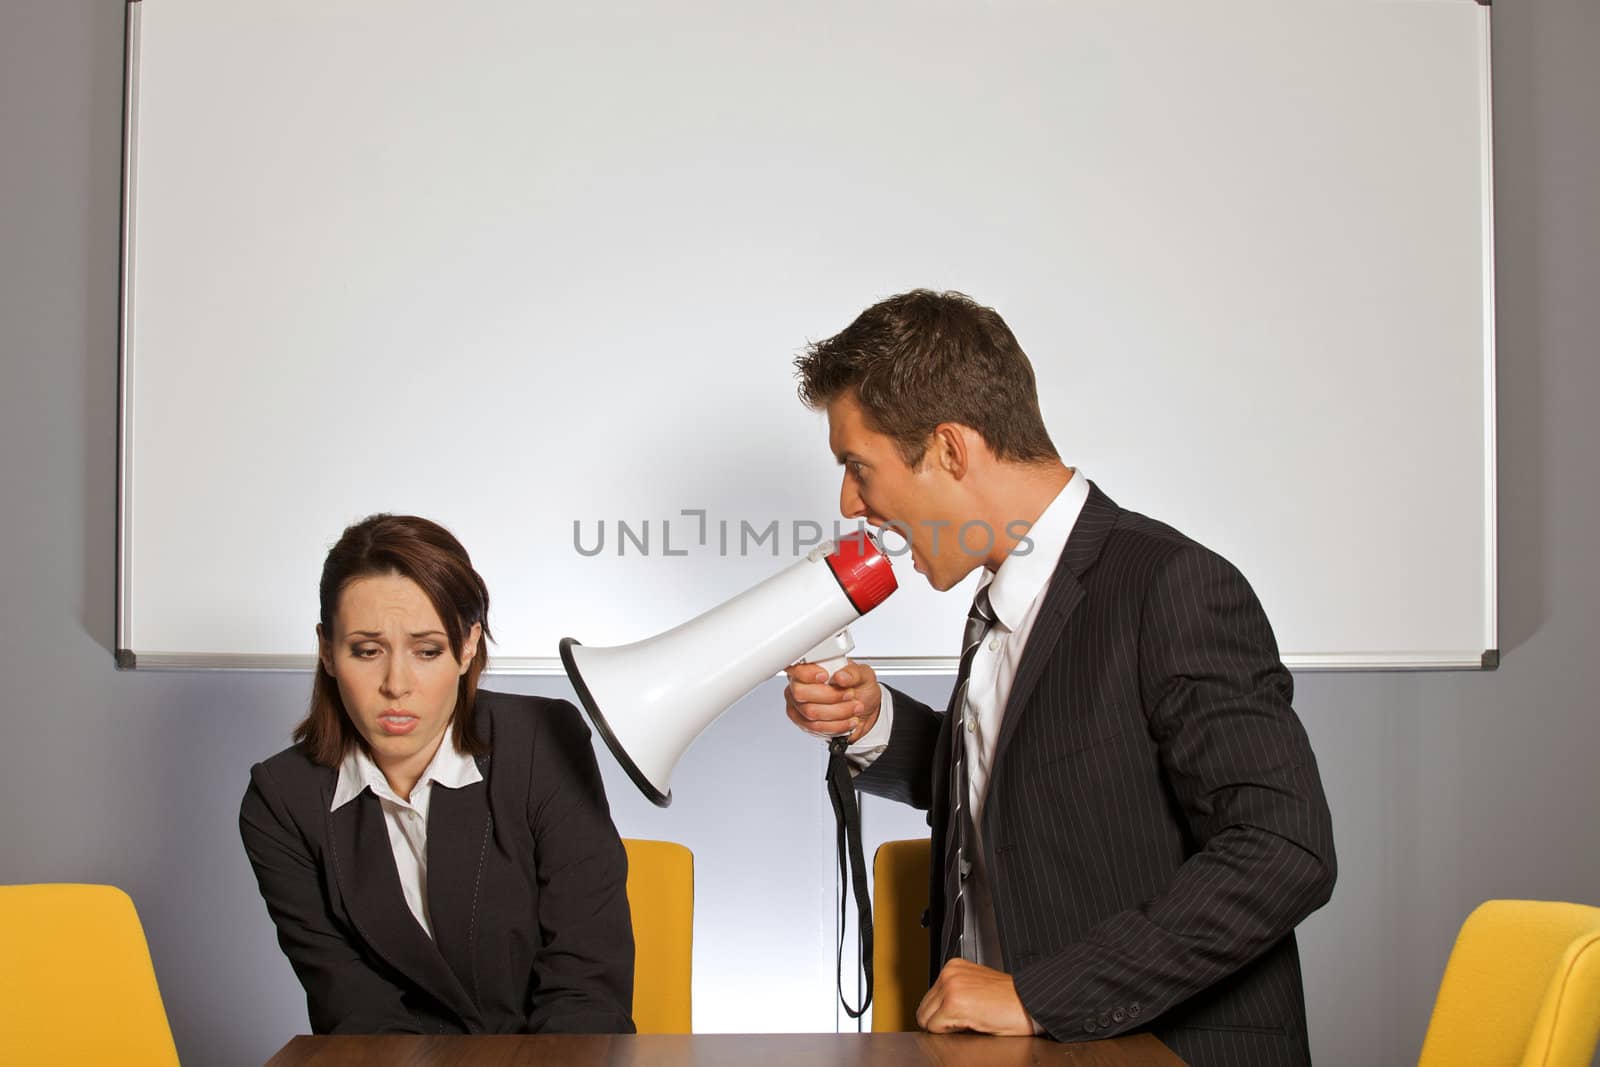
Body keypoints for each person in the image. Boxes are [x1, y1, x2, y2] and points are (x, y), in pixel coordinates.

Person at [783, 290, 1336, 1066]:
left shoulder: (1172, 586)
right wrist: (874, 723)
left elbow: (1284, 849)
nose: (852, 504)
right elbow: (1032, 788)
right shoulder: (1005, 597)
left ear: (949, 449)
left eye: (858, 466)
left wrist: (1040, 994)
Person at [240, 514, 634, 1035]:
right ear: (327, 651)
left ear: (467, 646)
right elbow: (354, 1011)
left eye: (427, 651)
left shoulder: (543, 742)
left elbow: (586, 989)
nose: (395, 684)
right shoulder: (281, 801)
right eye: (367, 650)